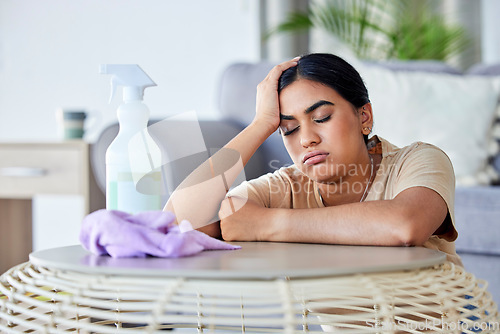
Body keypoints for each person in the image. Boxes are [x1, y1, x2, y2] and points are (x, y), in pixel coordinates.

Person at [165, 53, 461, 266]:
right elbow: (175, 226)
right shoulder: (286, 187)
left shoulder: (419, 160)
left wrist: (267, 224)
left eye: (321, 118)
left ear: (364, 117)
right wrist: (259, 125)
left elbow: (405, 226)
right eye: (288, 129)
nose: (306, 139)